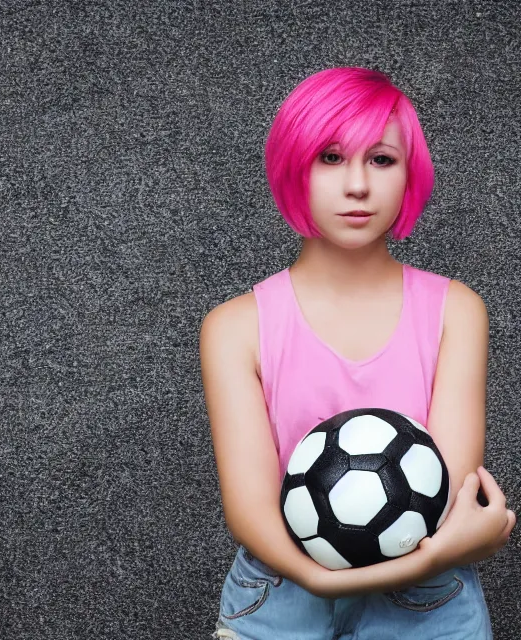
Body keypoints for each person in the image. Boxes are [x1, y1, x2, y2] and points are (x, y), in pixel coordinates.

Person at [199, 67, 515, 639]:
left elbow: (449, 490)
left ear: (409, 173)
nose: (357, 186)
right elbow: (248, 511)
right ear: (294, 167)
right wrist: (321, 582)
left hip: (428, 607)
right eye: (330, 157)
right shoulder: (235, 327)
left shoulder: (455, 311)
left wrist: (428, 560)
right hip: (278, 601)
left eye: (381, 159)